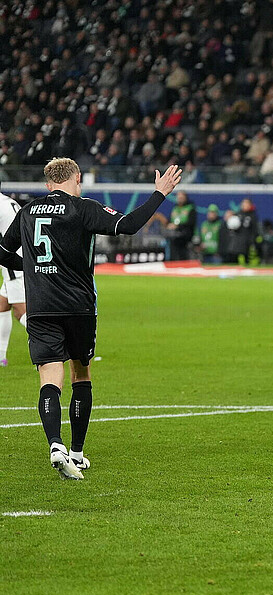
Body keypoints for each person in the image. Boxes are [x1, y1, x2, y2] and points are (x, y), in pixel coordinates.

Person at [0, 158, 183, 479]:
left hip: (40, 306)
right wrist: (159, 194)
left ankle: (55, 444)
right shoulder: (83, 208)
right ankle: (78, 452)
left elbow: (0, 249)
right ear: (77, 178)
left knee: (49, 376)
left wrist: (24, 263)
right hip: (78, 306)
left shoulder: (28, 212)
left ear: (47, 184)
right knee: (80, 374)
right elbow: (127, 225)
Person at [0, 186, 27, 367]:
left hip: (13, 262)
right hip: (22, 255)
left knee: (21, 312)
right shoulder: (7, 201)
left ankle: (59, 343)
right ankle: (1, 355)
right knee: (2, 306)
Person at [165, 190, 196, 261]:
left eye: (181, 197)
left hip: (185, 240)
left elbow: (191, 223)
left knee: (184, 259)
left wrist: (178, 226)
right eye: (178, 197)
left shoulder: (190, 208)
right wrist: (169, 225)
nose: (180, 199)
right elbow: (169, 221)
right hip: (174, 238)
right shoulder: (175, 209)